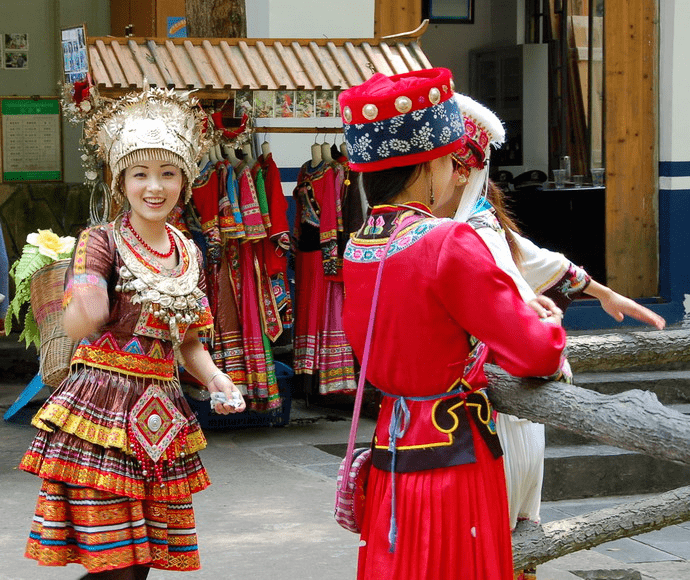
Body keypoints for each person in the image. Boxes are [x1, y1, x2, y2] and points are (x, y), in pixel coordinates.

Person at [339, 68, 566, 580]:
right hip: (453, 457)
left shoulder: (358, 247)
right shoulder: (445, 241)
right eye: (448, 158)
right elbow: (536, 352)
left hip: (392, 448)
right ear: (430, 165)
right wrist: (545, 319)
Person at [18, 85, 246, 580]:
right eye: (140, 174)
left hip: (159, 418)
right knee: (114, 565)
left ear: (184, 181)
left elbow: (187, 342)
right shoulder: (100, 242)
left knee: (139, 565)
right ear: (121, 181)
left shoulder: (189, 252)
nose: (154, 187)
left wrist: (215, 381)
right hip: (99, 414)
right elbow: (81, 307)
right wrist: (85, 309)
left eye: (167, 174)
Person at [442, 93, 665, 580]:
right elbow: (540, 265)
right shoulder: (462, 227)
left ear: (461, 170)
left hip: (490, 414)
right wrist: (598, 294)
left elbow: (535, 272)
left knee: (490, 539)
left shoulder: (471, 229)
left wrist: (601, 296)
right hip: (493, 411)